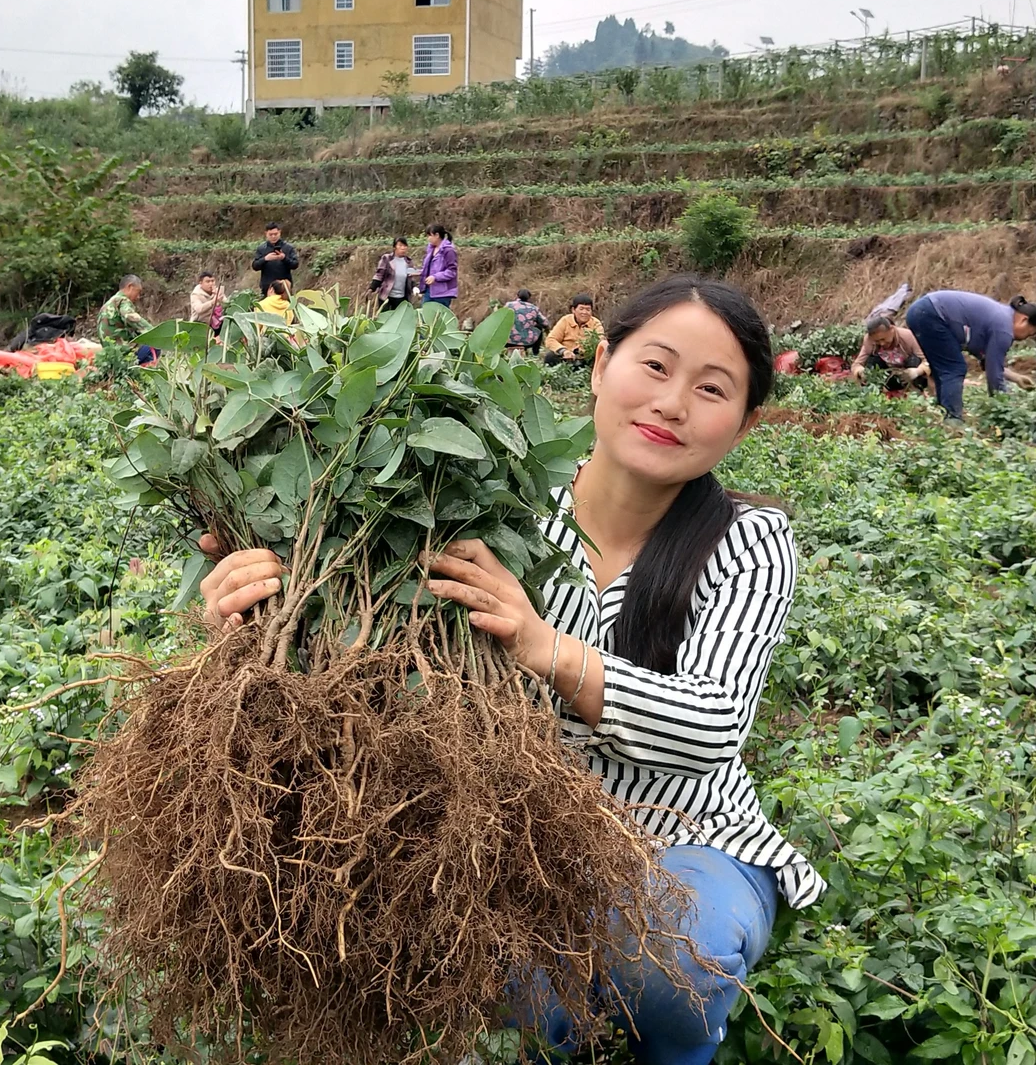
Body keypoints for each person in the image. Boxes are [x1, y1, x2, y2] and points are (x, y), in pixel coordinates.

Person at [199, 274, 826, 1064]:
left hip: (689, 836)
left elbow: (709, 727)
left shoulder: (749, 541)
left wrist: (545, 648)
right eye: (656, 367)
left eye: (712, 389)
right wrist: (266, 604)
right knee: (477, 975)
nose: (672, 404)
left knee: (664, 965)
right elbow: (384, 670)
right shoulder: (500, 510)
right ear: (600, 364)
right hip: (521, 834)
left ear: (745, 422)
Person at [906, 290, 1036, 421]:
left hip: (921, 311)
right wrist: (1004, 409)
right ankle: (953, 420)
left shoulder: (1001, 318)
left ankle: (945, 414)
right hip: (931, 313)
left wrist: (1017, 378)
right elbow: (994, 375)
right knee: (954, 368)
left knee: (943, 369)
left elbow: (989, 363)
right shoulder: (1004, 329)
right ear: (1024, 320)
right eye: (1030, 333)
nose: (1025, 338)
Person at [851, 314, 931, 390]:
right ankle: (877, 392)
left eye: (883, 339)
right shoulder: (869, 341)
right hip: (891, 374)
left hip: (908, 370)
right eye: (877, 341)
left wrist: (917, 372)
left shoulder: (907, 336)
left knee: (915, 360)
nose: (882, 343)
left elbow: (926, 361)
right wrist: (861, 371)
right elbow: (857, 364)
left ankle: (917, 390)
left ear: (892, 330)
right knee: (872, 362)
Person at [96, 274, 156, 365]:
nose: (138, 297)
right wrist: (154, 332)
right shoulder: (123, 300)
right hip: (124, 354)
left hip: (111, 355)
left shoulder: (108, 304)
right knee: (155, 345)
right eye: (138, 292)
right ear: (130, 287)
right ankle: (144, 374)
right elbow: (129, 316)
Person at [544, 294, 605, 364]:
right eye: (581, 309)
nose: (584, 312)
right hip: (566, 357)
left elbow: (600, 341)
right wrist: (564, 351)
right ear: (573, 310)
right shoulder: (565, 320)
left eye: (588, 309)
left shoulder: (596, 324)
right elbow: (551, 339)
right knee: (550, 357)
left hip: (586, 359)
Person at [369, 238, 421, 310]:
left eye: (405, 246)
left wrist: (415, 287)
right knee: (385, 318)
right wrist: (372, 288)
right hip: (386, 296)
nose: (403, 248)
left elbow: (411, 278)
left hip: (402, 298)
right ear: (394, 247)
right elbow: (379, 275)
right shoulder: (387, 259)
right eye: (400, 245)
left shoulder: (409, 262)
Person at [252, 222, 299, 296]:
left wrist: (284, 258)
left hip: (284, 287)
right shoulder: (261, 248)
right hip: (267, 287)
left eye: (275, 234)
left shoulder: (288, 248)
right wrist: (265, 259)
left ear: (280, 232)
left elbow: (295, 265)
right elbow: (255, 266)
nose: (273, 236)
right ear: (266, 233)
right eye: (270, 234)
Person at [420, 224, 458, 308]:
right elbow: (429, 268)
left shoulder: (448, 251)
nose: (428, 238)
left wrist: (435, 277)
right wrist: (420, 273)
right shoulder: (431, 249)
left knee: (439, 318)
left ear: (437, 235)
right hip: (429, 290)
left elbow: (452, 271)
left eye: (429, 235)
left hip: (443, 292)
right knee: (425, 316)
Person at [505, 288, 550, 355]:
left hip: (507, 341)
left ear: (517, 296)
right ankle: (535, 352)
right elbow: (545, 323)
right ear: (529, 298)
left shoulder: (508, 305)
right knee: (539, 327)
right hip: (526, 342)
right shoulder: (533, 308)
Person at [190, 271, 226, 335]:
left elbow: (227, 304)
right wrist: (213, 302)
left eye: (212, 281)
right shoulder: (195, 294)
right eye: (208, 282)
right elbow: (199, 309)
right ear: (201, 283)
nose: (211, 284)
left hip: (217, 322)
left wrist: (220, 297)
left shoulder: (217, 291)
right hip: (201, 324)